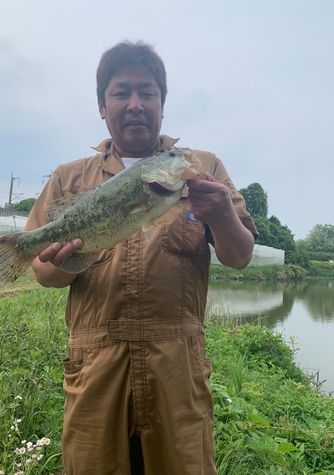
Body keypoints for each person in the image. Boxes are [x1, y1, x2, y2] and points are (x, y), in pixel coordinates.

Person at [25, 40, 258, 475]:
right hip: (95, 369)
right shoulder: (69, 177)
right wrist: (62, 259)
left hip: (178, 370)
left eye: (147, 93)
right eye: (121, 92)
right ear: (101, 105)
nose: (135, 104)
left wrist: (225, 215)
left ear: (162, 104)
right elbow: (42, 273)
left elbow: (239, 257)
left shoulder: (199, 165)